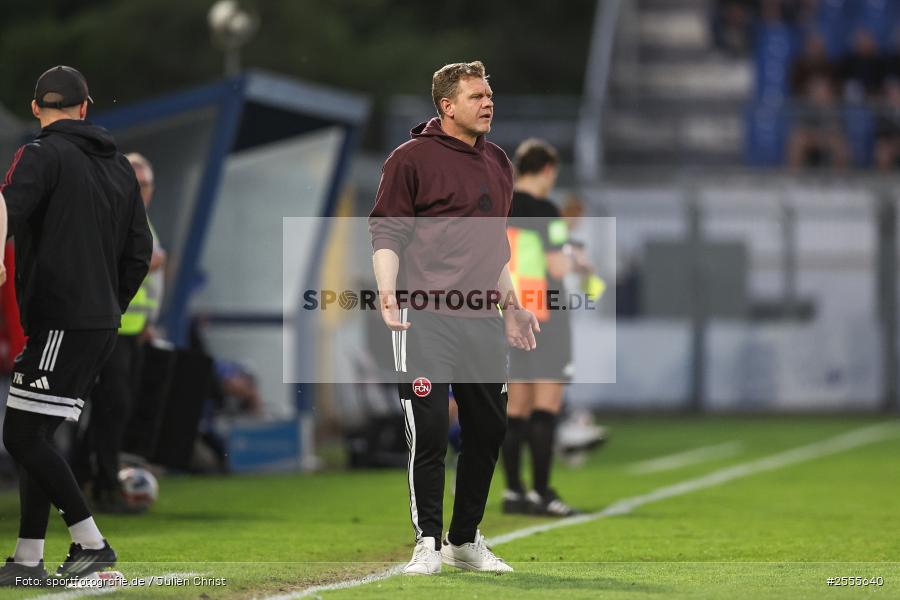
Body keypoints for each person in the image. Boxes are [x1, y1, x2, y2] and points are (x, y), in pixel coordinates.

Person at [369, 60, 539, 576]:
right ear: (447, 106)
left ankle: (463, 542)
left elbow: (494, 251)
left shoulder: (499, 162)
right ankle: (427, 542)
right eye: (476, 97)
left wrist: (511, 307)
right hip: (425, 317)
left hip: (481, 318)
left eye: (490, 95)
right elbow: (386, 233)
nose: (488, 103)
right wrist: (386, 292)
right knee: (430, 430)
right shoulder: (409, 159)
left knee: (488, 429)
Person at [0, 65, 151, 584]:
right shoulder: (120, 167)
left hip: (60, 318)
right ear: (86, 107)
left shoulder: (39, 155)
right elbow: (140, 251)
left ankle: (91, 544)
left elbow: (6, 208)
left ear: (36, 107)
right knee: (37, 432)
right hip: (101, 322)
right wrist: (110, 304)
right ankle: (27, 559)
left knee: (21, 436)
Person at [501, 139, 596, 517]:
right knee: (546, 406)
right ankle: (542, 492)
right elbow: (557, 267)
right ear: (548, 171)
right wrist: (579, 260)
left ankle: (514, 492)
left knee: (516, 409)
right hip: (546, 319)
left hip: (508, 315)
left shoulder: (502, 207)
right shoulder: (548, 211)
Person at [71, 152, 165, 513]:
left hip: (132, 331)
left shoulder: (142, 220)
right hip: (108, 329)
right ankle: (107, 484)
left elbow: (147, 287)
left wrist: (149, 322)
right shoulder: (111, 215)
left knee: (109, 409)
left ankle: (79, 475)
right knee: (112, 405)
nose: (141, 191)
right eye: (135, 183)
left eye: (146, 185)